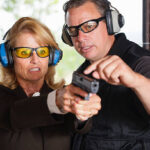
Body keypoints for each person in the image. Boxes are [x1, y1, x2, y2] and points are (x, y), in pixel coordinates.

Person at [0, 17, 101, 150]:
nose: (35, 59)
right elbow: (14, 115)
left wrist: (82, 111)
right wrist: (55, 102)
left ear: (52, 56)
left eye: (42, 52)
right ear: (9, 57)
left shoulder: (64, 95)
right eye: (24, 52)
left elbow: (78, 127)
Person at [61, 0, 150, 149]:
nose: (80, 38)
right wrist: (81, 117)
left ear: (111, 23)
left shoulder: (140, 62)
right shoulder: (82, 72)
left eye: (89, 26)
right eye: (73, 30)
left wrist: (137, 81)